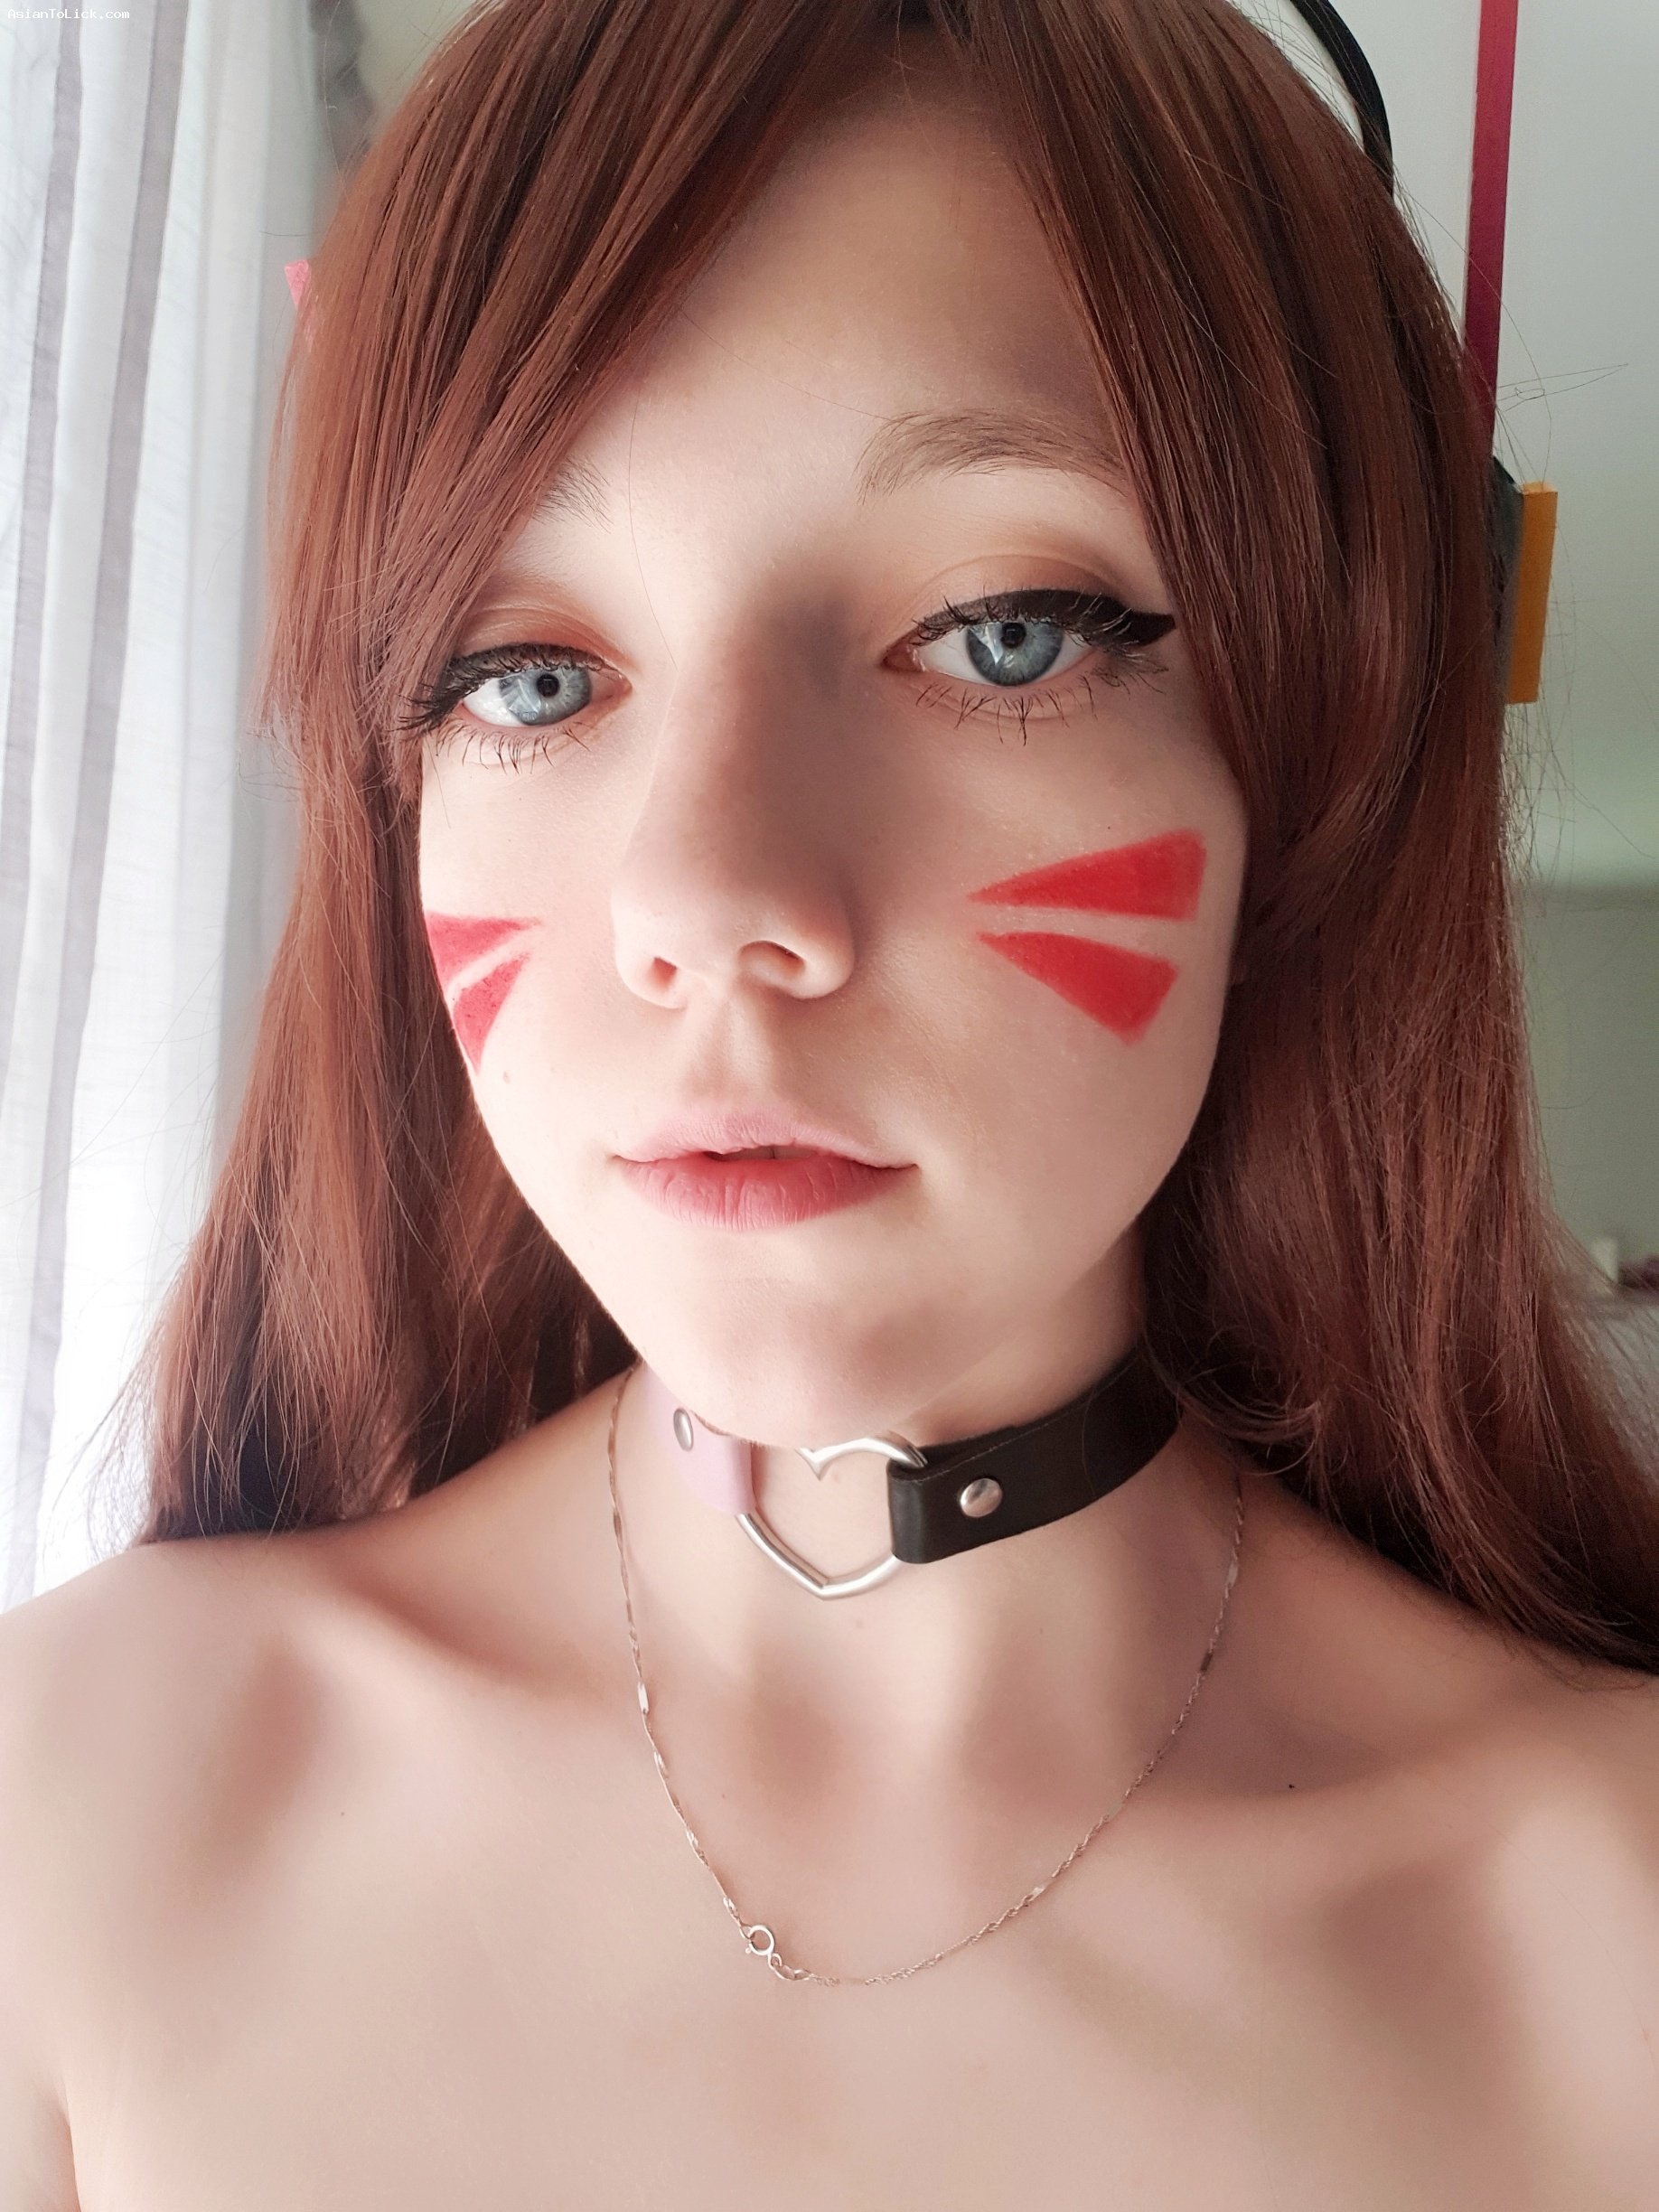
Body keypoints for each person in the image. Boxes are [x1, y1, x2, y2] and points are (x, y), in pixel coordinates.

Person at [3, 0, 1657, 2201]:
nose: (709, 902)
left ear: (1321, 754)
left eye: (1002, 633)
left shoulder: (1608, 1934)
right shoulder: (74, 1808)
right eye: (529, 674)